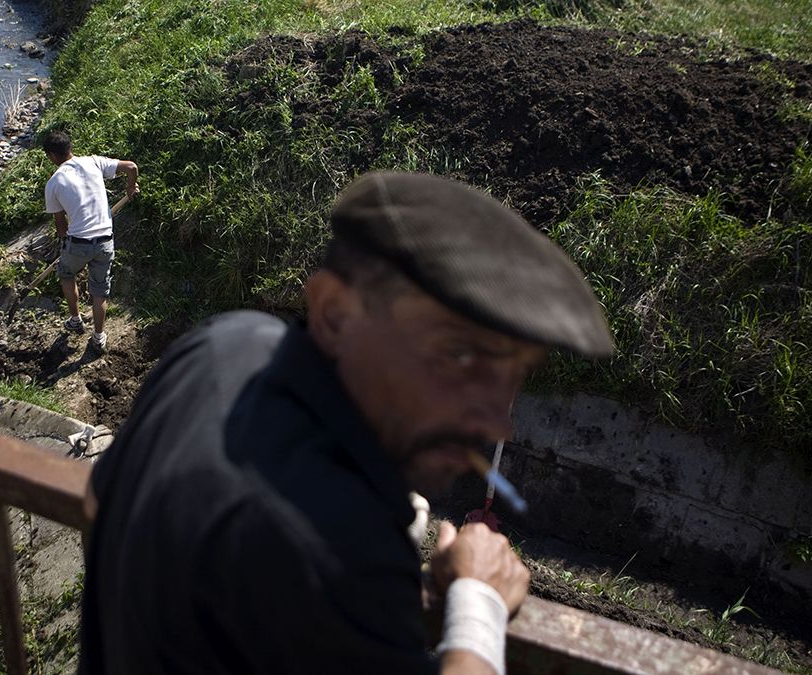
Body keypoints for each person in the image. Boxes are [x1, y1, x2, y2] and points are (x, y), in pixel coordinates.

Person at [79, 172, 614, 674]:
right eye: (460, 357)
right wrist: (480, 602)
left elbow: (98, 499)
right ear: (334, 313)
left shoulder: (224, 342)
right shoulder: (338, 554)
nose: (498, 425)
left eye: (513, 377)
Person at [41, 130, 138, 353]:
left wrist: (65, 242)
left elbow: (60, 225)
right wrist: (130, 187)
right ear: (70, 147)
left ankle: (75, 319)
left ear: (51, 156)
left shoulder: (53, 183)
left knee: (66, 274)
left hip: (78, 243)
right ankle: (99, 336)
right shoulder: (94, 162)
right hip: (105, 241)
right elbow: (131, 167)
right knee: (99, 290)